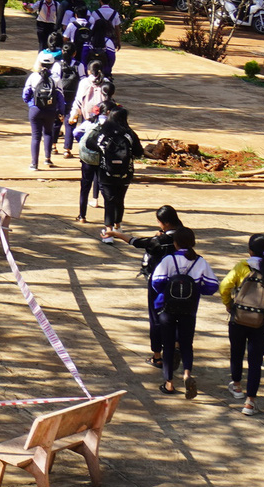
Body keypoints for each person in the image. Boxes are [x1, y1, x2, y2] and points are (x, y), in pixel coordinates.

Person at [220, 234, 264, 416]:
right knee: (255, 360)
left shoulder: (242, 266)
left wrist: (229, 304)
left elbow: (224, 286)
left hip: (238, 318)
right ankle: (250, 402)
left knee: (236, 351)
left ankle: (236, 386)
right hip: (260, 321)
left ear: (249, 250)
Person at [150, 235, 219, 398]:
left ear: (175, 243)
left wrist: (168, 291)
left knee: (168, 345)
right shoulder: (200, 261)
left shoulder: (169, 259)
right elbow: (212, 286)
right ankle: (187, 374)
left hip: (167, 308)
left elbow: (156, 282)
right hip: (189, 309)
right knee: (186, 344)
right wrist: (195, 291)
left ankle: (169, 383)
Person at [120, 206, 188, 370]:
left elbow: (138, 242)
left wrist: (117, 234)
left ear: (164, 223)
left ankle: (157, 356)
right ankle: (178, 345)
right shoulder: (184, 235)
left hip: (159, 284)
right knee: (178, 317)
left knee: (157, 318)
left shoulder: (159, 241)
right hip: (181, 284)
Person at [82, 103, 143, 233]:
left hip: (106, 171)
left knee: (109, 200)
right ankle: (118, 227)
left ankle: (108, 230)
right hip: (126, 172)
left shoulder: (103, 131)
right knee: (120, 199)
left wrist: (102, 150)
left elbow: (89, 144)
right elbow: (139, 152)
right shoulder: (129, 133)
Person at [22, 53, 66, 169]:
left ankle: (34, 164)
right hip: (50, 110)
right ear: (52, 65)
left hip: (35, 110)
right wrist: (61, 112)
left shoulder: (33, 77)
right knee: (48, 133)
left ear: (40, 64)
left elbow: (25, 95)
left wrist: (31, 104)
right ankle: (47, 159)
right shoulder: (56, 78)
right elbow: (61, 97)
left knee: (35, 136)